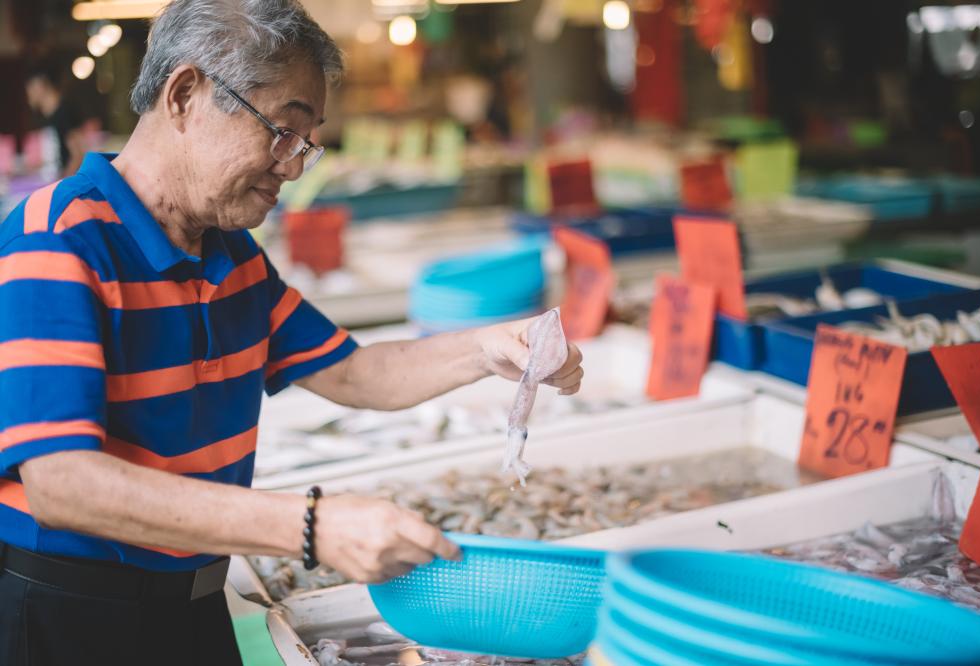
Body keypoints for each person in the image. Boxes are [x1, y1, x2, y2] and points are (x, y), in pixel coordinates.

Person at [0, 2, 584, 664]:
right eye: (282, 132)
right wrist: (308, 525)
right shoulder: (56, 240)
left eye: (306, 142)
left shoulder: (231, 254)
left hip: (193, 603)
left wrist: (488, 348)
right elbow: (60, 480)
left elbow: (356, 373)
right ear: (186, 95)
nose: (294, 165)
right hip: (72, 620)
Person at [24, 61, 89, 177]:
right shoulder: (45, 115)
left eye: (29, 88)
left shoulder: (64, 112)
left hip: (64, 183)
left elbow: (78, 154)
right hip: (51, 179)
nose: (28, 95)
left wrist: (62, 183)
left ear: (39, 86)